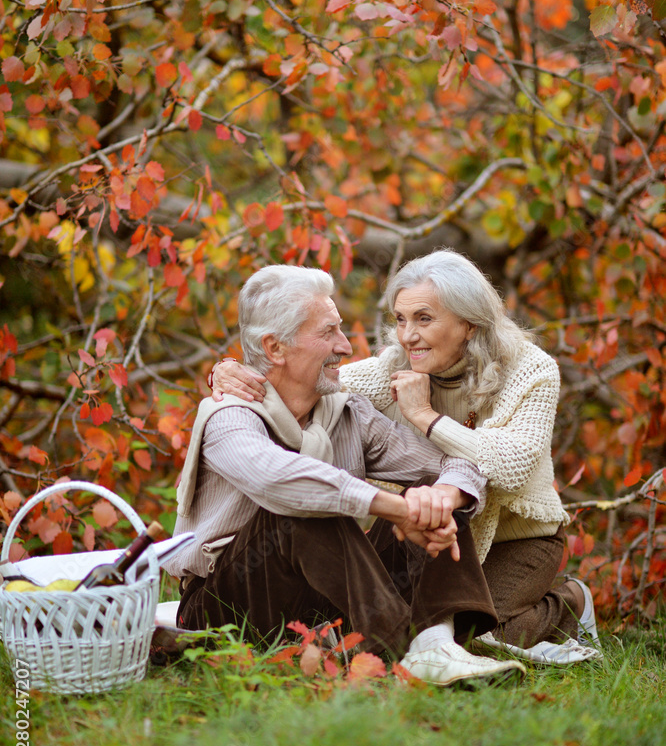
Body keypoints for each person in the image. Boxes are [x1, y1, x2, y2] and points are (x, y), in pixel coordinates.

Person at [211, 251, 601, 665]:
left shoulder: (531, 370)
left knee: (477, 636)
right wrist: (229, 368)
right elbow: (307, 374)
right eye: (400, 319)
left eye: (424, 319)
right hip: (446, 531)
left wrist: (426, 418)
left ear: (469, 322)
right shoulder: (395, 367)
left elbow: (509, 464)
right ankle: (429, 639)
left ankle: (571, 601)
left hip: (518, 538)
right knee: (422, 626)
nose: (407, 336)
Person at [169, 264, 526, 686]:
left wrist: (439, 498)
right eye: (328, 333)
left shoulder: (346, 412)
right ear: (275, 347)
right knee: (301, 508)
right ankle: (397, 648)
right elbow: (279, 481)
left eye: (341, 329)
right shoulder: (229, 417)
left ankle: (433, 646)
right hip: (226, 606)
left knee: (427, 493)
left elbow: (454, 461)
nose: (345, 345)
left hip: (314, 601)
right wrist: (395, 509)